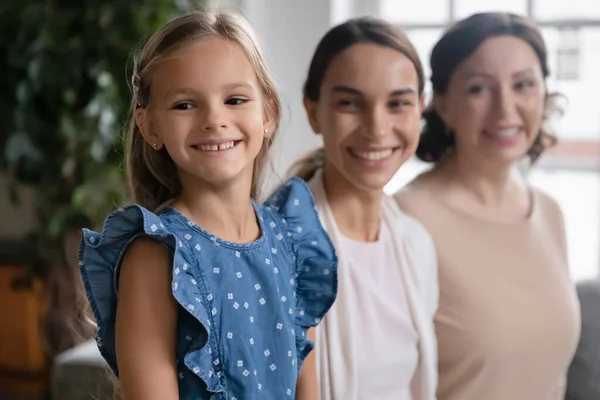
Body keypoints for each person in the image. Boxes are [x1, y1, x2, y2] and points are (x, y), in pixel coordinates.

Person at [78, 11, 337, 400]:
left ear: (268, 113)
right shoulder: (156, 256)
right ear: (150, 127)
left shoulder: (293, 240)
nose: (214, 119)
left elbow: (308, 392)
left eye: (235, 99)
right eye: (184, 105)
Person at [395, 12, 581, 400]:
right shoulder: (406, 220)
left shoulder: (549, 213)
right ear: (442, 103)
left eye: (524, 84)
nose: (506, 109)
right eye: (480, 88)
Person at [289, 17, 438, 400]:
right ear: (313, 110)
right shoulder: (279, 248)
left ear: (420, 108)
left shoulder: (416, 244)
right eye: (350, 103)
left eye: (398, 103)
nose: (376, 127)